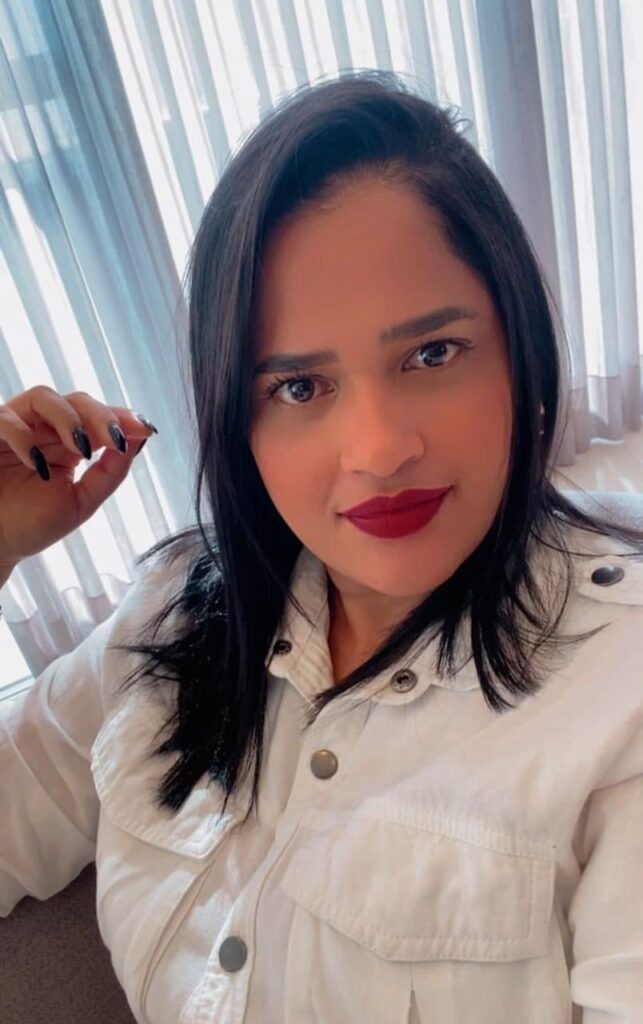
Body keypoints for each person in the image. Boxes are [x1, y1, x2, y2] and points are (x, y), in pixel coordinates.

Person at [1, 69, 642, 1024]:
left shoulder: (621, 689)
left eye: (432, 353)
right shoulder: (175, 608)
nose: (379, 450)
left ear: (521, 354)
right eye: (299, 387)